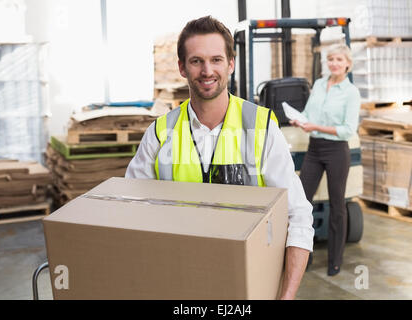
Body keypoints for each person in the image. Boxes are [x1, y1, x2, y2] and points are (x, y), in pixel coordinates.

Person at [126, 16, 314, 299]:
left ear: (231, 64)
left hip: (248, 286)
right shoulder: (160, 133)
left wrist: (285, 297)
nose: (207, 70)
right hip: (180, 286)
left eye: (216, 59)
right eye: (196, 61)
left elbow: (297, 214)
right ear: (181, 67)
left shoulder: (260, 127)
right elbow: (127, 212)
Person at [290, 43, 361, 276]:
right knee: (302, 202)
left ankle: (335, 261)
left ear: (347, 64)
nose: (334, 63)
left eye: (339, 60)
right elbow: (310, 114)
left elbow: (347, 129)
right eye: (330, 59)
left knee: (338, 205)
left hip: (336, 151)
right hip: (315, 149)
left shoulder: (351, 93)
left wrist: (316, 126)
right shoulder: (320, 85)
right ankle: (305, 255)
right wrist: (300, 120)